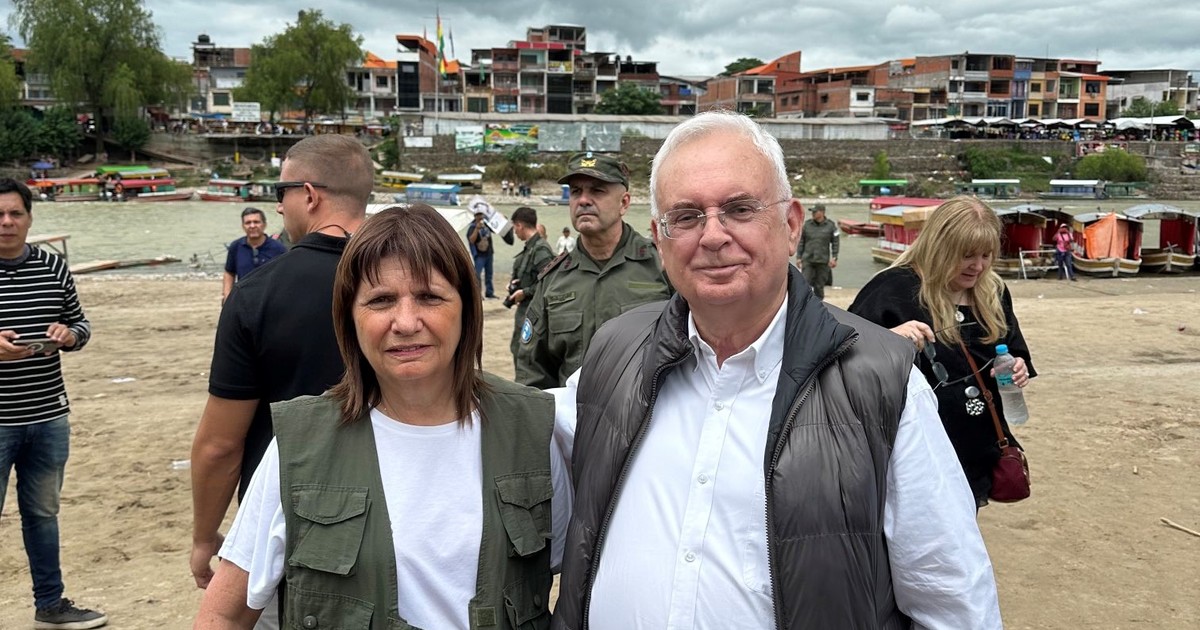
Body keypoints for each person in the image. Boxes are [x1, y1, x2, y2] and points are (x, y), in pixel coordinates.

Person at [553, 111, 1000, 630]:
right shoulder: (614, 355)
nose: (713, 236)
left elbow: (954, 602)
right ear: (659, 237)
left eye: (739, 209)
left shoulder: (885, 384)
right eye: (686, 216)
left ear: (791, 225)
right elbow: (516, 431)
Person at [195, 205, 572, 629]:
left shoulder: (533, 432)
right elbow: (223, 614)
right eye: (381, 300)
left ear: (467, 308)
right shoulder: (299, 447)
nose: (406, 323)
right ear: (349, 317)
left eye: (429, 297)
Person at [190, 135, 372, 624]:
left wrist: (204, 537)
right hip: (394, 509)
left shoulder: (257, 294)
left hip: (285, 520)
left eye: (281, 191)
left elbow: (220, 445)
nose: (276, 206)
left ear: (309, 195)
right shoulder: (415, 284)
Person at [849, 195, 1037, 507]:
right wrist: (888, 340)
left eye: (986, 255)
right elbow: (843, 358)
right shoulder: (892, 288)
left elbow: (1014, 349)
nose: (978, 266)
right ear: (939, 246)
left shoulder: (993, 291)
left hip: (977, 448)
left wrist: (1018, 366)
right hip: (914, 451)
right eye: (966, 255)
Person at [0, 179, 107, 629]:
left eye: (15, 213)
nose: (6, 223)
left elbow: (80, 324)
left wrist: (69, 336)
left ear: (30, 217)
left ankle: (50, 605)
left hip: (48, 415)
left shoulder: (52, 266)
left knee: (43, 515)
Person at [515, 152, 671, 389]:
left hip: (651, 408)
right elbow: (532, 370)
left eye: (597, 191)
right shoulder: (553, 280)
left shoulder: (660, 264)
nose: (583, 200)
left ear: (624, 203)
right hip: (574, 411)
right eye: (576, 191)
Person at [507, 207, 555, 366]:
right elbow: (534, 278)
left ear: (519, 225)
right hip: (526, 311)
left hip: (533, 313)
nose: (515, 232)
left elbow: (549, 282)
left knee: (527, 355)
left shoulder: (540, 249)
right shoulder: (531, 249)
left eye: (515, 227)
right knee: (519, 351)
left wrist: (525, 292)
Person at [222, 208, 287, 304]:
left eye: (256, 222)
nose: (252, 226)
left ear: (264, 224)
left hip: (269, 301)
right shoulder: (236, 247)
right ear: (243, 226)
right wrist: (227, 297)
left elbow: (285, 277)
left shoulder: (278, 249)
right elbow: (229, 272)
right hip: (242, 300)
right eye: (248, 223)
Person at [794, 203, 839, 299]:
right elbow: (801, 242)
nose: (813, 214)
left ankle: (818, 304)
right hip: (808, 260)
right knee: (804, 283)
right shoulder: (807, 225)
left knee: (819, 286)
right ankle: (803, 304)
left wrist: (834, 258)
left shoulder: (830, 226)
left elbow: (835, 243)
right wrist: (798, 257)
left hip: (822, 261)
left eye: (815, 212)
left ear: (822, 212)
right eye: (812, 212)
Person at [466, 210, 496, 299]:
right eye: (478, 215)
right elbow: (471, 240)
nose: (480, 217)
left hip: (489, 253)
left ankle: (489, 293)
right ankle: (478, 294)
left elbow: (496, 230)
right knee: (477, 275)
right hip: (479, 255)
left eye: (481, 215)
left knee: (489, 274)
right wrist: (477, 229)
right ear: (475, 217)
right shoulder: (472, 227)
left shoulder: (487, 225)